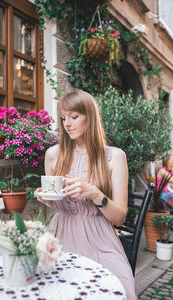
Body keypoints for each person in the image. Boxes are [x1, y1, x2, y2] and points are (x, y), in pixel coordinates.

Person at [35, 89, 137, 299]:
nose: (67, 124)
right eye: (63, 118)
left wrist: (95, 194)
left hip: (100, 240)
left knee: (121, 286)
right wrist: (48, 199)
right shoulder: (53, 155)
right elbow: (59, 203)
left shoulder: (114, 157)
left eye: (74, 117)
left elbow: (119, 217)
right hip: (58, 234)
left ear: (90, 117)